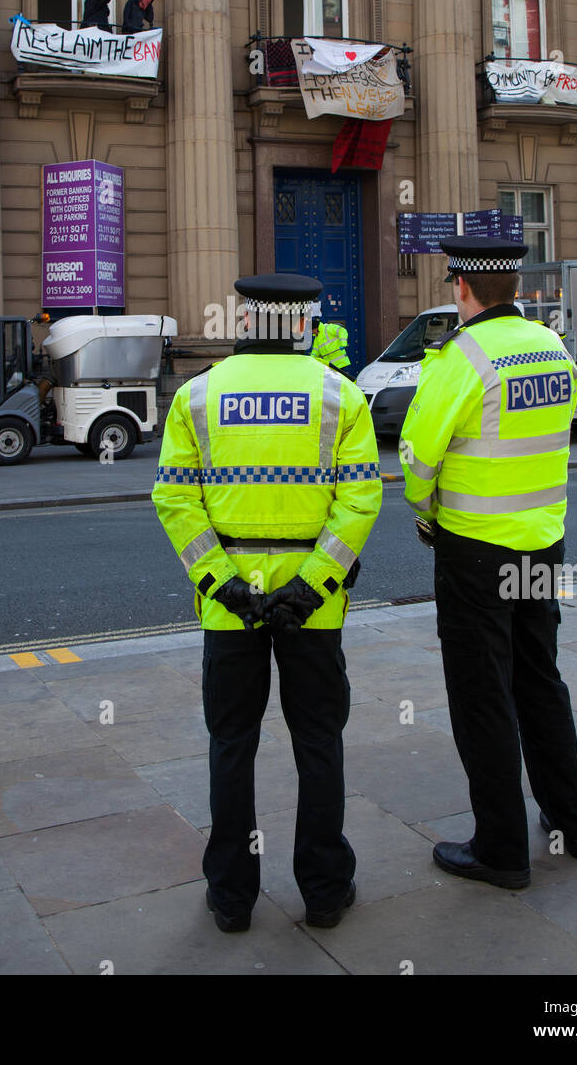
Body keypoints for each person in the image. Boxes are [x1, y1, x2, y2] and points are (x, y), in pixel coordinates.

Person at [152, 274, 381, 932]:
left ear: (246, 322)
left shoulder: (197, 395)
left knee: (231, 742)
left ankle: (230, 895)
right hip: (314, 606)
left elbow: (173, 498)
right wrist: (310, 585)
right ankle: (324, 889)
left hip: (230, 608)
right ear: (305, 326)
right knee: (317, 741)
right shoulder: (340, 395)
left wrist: (221, 583)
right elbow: (360, 499)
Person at [400, 236, 577, 890]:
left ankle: (501, 849)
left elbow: (417, 458)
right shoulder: (549, 345)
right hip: (542, 540)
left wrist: (426, 515)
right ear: (511, 287)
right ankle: (573, 823)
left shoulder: (462, 357)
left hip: (475, 549)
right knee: (539, 677)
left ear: (461, 288)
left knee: (482, 692)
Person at [309, 311, 352, 378]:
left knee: (343, 383)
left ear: (315, 328)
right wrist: (311, 360)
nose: (311, 333)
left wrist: (343, 343)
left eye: (311, 330)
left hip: (341, 364)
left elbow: (342, 330)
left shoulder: (328, 328)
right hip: (330, 366)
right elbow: (315, 352)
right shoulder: (317, 338)